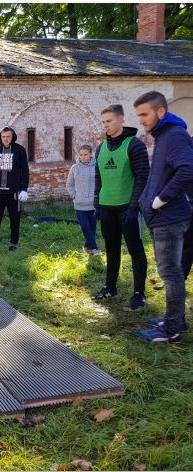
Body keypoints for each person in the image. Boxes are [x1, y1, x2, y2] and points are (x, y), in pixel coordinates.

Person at [134, 91, 193, 343]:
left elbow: (188, 169)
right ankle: (175, 319)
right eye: (138, 115)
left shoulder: (174, 136)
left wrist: (160, 200)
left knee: (171, 273)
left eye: (145, 114)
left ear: (160, 112)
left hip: (170, 217)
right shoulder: (164, 136)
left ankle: (172, 330)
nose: (141, 120)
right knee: (173, 271)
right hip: (162, 218)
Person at [93, 104, 149, 310]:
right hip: (107, 208)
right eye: (103, 122)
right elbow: (98, 177)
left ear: (121, 119)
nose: (106, 125)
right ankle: (110, 287)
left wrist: (134, 208)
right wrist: (97, 204)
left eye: (109, 121)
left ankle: (139, 293)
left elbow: (143, 177)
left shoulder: (134, 145)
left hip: (128, 208)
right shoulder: (101, 148)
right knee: (111, 249)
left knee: (136, 250)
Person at [0, 126, 30, 251]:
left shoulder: (20, 150)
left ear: (13, 137)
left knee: (15, 218)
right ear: (1, 138)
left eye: (8, 136)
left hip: (14, 192)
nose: (5, 139)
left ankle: (13, 243)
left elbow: (25, 171)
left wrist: (24, 189)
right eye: (3, 137)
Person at [66, 144, 100, 256]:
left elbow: (101, 183)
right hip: (79, 204)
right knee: (85, 228)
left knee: (92, 228)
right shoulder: (74, 168)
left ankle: (87, 247)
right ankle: (95, 249)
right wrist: (74, 196)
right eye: (81, 155)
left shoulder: (97, 167)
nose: (83, 157)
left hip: (93, 204)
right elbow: (69, 185)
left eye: (85, 154)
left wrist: (97, 197)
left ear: (91, 154)